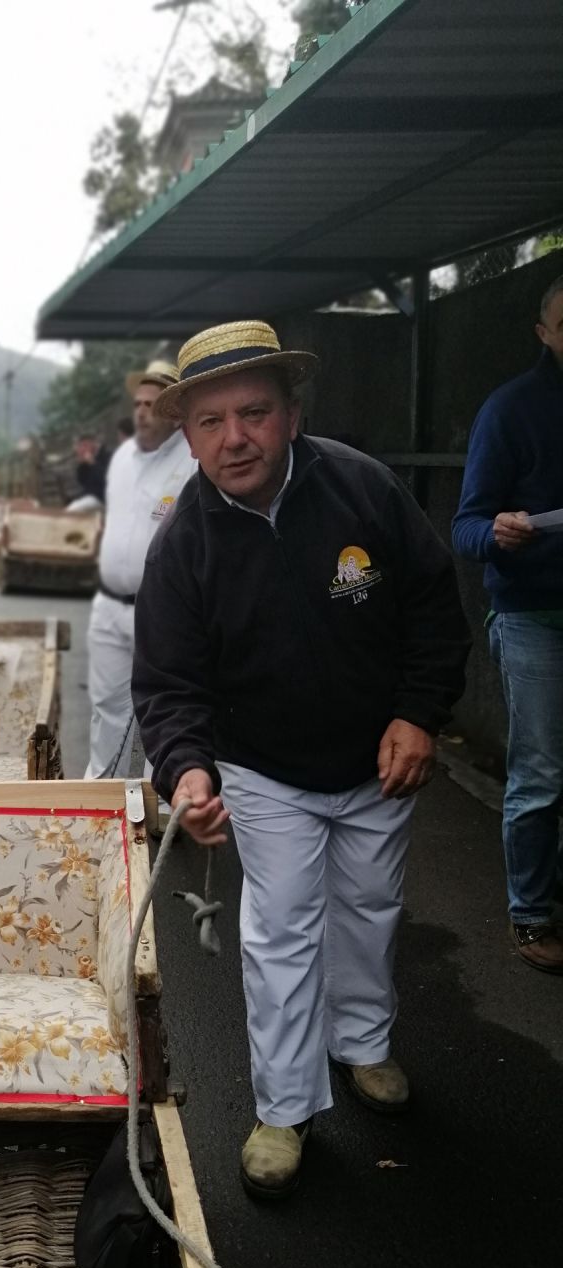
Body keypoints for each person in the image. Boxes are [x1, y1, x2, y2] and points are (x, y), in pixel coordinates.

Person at [131, 321, 470, 1200]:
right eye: (209, 422)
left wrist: (418, 714)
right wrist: (189, 774)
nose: (233, 437)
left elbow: (434, 604)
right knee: (280, 930)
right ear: (188, 434)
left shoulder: (364, 489)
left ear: (290, 413)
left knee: (369, 907)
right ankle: (284, 1109)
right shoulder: (183, 545)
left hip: (376, 759)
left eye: (253, 413)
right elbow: (170, 684)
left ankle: (362, 1044)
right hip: (265, 769)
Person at [452, 273, 563, 975]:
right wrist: (499, 534)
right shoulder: (511, 410)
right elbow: (464, 525)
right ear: (545, 333)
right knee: (542, 773)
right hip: (532, 616)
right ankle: (530, 915)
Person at [84, 358, 194, 779]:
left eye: (153, 403)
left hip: (160, 610)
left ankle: (157, 803)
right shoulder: (121, 459)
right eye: (138, 403)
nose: (142, 411)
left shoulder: (191, 462)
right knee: (106, 705)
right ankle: (101, 788)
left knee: (160, 709)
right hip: (109, 603)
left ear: (173, 411)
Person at [72, 431, 111, 507]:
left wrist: (93, 463)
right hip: (89, 496)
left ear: (94, 444)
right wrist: (82, 465)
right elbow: (82, 482)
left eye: (85, 445)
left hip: (102, 497)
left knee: (73, 510)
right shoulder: (88, 459)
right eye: (80, 446)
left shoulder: (106, 456)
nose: (82, 449)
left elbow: (105, 479)